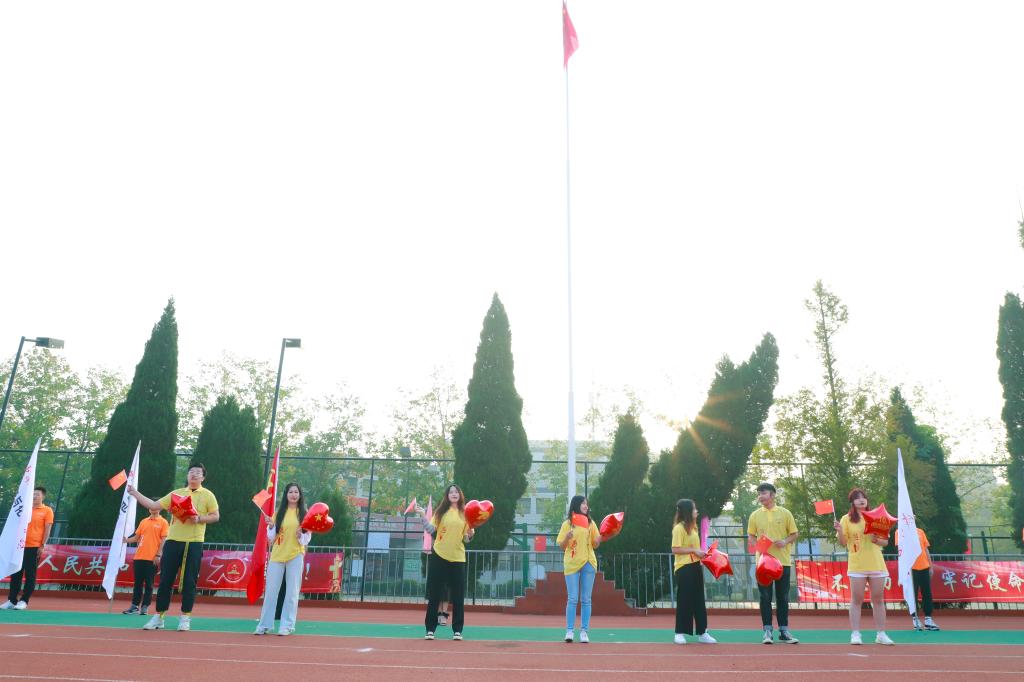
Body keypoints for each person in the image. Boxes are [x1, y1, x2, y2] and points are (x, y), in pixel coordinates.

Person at [127, 462, 219, 632]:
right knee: (165, 580)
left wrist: (199, 519)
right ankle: (159, 617)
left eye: (198, 472)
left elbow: (215, 516)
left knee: (189, 581)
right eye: (191, 472)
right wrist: (134, 492)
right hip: (173, 541)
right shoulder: (176, 494)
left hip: (194, 543)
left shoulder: (208, 495)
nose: (194, 474)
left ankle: (185, 617)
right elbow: (153, 505)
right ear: (187, 476)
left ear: (203, 477)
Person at [834, 488, 894, 646]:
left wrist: (876, 539)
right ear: (852, 502)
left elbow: (885, 542)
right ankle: (855, 634)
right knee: (857, 600)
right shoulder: (846, 519)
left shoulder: (876, 517)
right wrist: (840, 531)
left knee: (878, 600)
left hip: (876, 563)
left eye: (863, 497)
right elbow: (843, 542)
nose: (861, 500)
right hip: (857, 564)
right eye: (857, 498)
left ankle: (881, 634)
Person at [418, 484, 474, 641]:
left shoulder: (466, 514)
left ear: (460, 495)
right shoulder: (440, 512)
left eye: (456, 492)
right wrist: (422, 515)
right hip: (439, 555)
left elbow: (466, 539)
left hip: (458, 558)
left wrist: (470, 534)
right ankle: (430, 629)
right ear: (447, 496)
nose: (454, 494)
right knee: (435, 594)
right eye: (451, 492)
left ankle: (457, 630)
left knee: (458, 596)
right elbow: (431, 530)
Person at [255, 483, 311, 636]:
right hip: (277, 555)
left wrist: (301, 536)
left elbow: (307, 538)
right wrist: (271, 526)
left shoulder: (304, 514)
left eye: (296, 492)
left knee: (292, 592)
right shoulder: (279, 512)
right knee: (271, 591)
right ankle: (265, 625)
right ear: (286, 495)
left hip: (295, 555)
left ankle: (287, 625)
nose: (293, 495)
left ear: (300, 495)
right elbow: (271, 537)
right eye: (291, 492)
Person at [747, 482, 800, 644]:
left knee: (783, 597)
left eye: (763, 493)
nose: (760, 496)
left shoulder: (785, 513)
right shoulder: (755, 515)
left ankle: (784, 631)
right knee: (765, 597)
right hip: (763, 564)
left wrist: (784, 541)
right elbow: (751, 536)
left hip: (782, 562)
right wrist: (758, 545)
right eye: (759, 494)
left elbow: (794, 534)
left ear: (773, 495)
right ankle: (767, 631)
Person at [556, 495, 601, 643]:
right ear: (576, 505)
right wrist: (567, 537)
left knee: (586, 599)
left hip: (588, 562)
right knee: (573, 598)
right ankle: (569, 631)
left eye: (587, 504)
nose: (586, 506)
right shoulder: (567, 524)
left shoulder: (591, 523)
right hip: (572, 563)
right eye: (583, 504)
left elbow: (595, 544)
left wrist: (599, 539)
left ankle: (584, 631)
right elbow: (562, 546)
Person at [671, 498, 716, 645]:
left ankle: (703, 632)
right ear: (687, 511)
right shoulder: (679, 528)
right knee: (684, 600)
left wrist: (704, 553)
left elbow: (696, 549)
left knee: (699, 600)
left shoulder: (694, 528)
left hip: (696, 566)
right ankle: (679, 633)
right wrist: (694, 550)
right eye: (694, 509)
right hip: (683, 567)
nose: (697, 511)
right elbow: (675, 549)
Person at [1, 486, 53, 610]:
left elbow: (47, 529)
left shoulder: (47, 510)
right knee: (16, 573)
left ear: (43, 496)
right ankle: (12, 600)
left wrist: (42, 545)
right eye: (33, 494)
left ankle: (24, 600)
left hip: (34, 547)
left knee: (30, 575)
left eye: (37, 494)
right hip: (19, 547)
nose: (35, 496)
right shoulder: (24, 509)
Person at [122, 506, 170, 615]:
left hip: (152, 558)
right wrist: (125, 540)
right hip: (139, 557)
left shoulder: (163, 522)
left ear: (159, 509)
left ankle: (145, 606)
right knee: (137, 584)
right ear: (149, 509)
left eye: (155, 507)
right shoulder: (144, 521)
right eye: (151, 507)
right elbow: (136, 538)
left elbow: (164, 540)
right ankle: (134, 606)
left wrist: (158, 555)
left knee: (149, 584)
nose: (153, 509)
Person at [895, 522, 940, 631]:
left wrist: (930, 566)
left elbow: (926, 549)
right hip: (911, 569)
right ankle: (915, 619)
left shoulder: (920, 531)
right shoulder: (899, 531)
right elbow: (901, 549)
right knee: (912, 594)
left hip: (924, 566)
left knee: (927, 593)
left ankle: (928, 619)